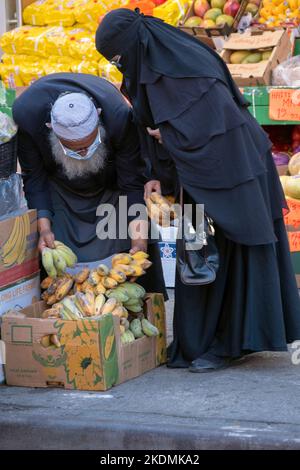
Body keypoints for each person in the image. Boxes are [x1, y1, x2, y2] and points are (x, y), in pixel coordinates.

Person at [96, 8, 300, 372]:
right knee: (199, 260)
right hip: (203, 177)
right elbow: (170, 120)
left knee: (224, 257)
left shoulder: (181, 63)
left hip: (233, 172)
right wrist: (160, 172)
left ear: (132, 43)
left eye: (117, 56)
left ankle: (230, 344)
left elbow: (211, 122)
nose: (119, 65)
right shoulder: (155, 62)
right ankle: (196, 344)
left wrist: (168, 136)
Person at [13, 72, 166, 294]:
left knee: (129, 246)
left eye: (88, 144)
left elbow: (132, 182)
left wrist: (139, 240)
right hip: (61, 190)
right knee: (59, 264)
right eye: (74, 148)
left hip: (111, 186)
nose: (83, 152)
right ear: (50, 129)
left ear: (99, 119)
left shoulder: (118, 116)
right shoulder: (28, 115)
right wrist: (44, 227)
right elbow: (34, 177)